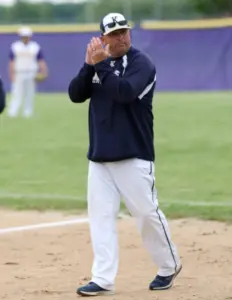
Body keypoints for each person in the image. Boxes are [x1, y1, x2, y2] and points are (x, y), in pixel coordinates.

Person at [68, 12, 182, 297]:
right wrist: (87, 65)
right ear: (103, 38)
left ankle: (169, 265)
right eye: (115, 33)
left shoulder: (142, 63)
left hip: (134, 154)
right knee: (101, 218)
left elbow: (125, 92)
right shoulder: (98, 64)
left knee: (146, 214)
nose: (121, 37)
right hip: (100, 157)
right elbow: (75, 94)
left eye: (124, 31)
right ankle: (103, 278)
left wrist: (101, 65)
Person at [7, 26, 48, 118]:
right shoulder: (15, 47)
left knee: (30, 93)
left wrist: (44, 71)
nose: (25, 38)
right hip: (19, 72)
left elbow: (40, 60)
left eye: (27, 36)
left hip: (31, 72)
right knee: (17, 93)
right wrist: (11, 73)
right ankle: (13, 112)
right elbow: (12, 61)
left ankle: (28, 112)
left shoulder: (35, 47)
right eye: (24, 36)